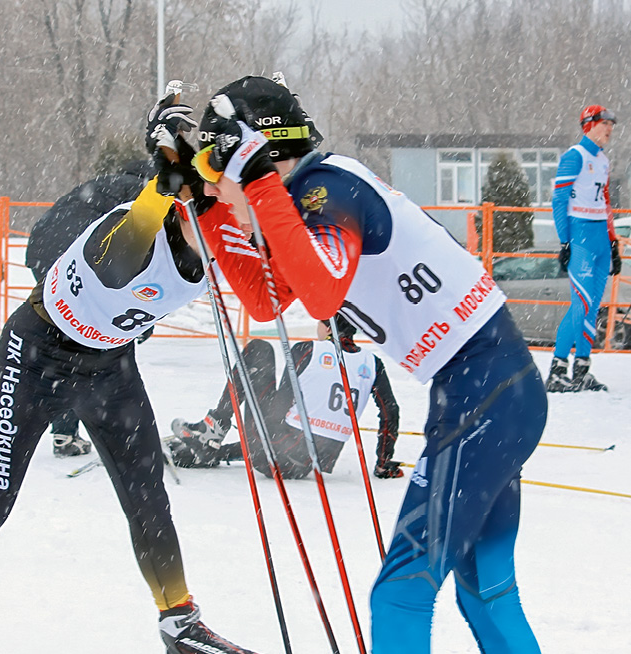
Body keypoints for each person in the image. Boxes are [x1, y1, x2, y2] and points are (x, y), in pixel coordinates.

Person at [149, 75, 548, 653]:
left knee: (400, 593)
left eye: (221, 174)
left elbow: (322, 294)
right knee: (484, 590)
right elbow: (267, 297)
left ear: (262, 155)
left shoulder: (325, 191)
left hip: (483, 394)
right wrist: (203, 205)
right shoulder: (308, 195)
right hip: (485, 390)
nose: (225, 194)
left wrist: (255, 183)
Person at [0, 157, 261, 653]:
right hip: (36, 356)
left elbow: (274, 289)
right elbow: (131, 239)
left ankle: (180, 623)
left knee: (148, 499)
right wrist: (162, 184)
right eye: (237, 206)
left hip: (108, 367)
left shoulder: (221, 241)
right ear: (198, 205)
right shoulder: (135, 231)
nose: (246, 220)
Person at [168, 314, 403, 479]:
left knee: (259, 349)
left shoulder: (309, 350)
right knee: (292, 431)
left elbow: (276, 413)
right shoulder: (373, 363)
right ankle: (212, 449)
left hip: (273, 455)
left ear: (328, 328)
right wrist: (383, 463)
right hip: (305, 465)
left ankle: (213, 429)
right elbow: (390, 411)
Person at [25, 160, 153, 457]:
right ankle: (115, 431)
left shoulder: (104, 184)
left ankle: (64, 431)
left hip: (41, 251)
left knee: (64, 341)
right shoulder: (142, 193)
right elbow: (140, 252)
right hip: (73, 254)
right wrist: (142, 320)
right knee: (91, 345)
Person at [545, 104, 621, 393]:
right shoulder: (575, 156)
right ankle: (557, 370)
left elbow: (606, 202)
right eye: (605, 124)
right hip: (580, 236)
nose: (610, 129)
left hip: (600, 236)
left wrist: (613, 242)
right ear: (589, 124)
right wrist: (564, 241)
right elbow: (558, 199)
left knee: (593, 307)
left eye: (611, 125)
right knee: (582, 304)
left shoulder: (602, 160)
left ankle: (581, 371)